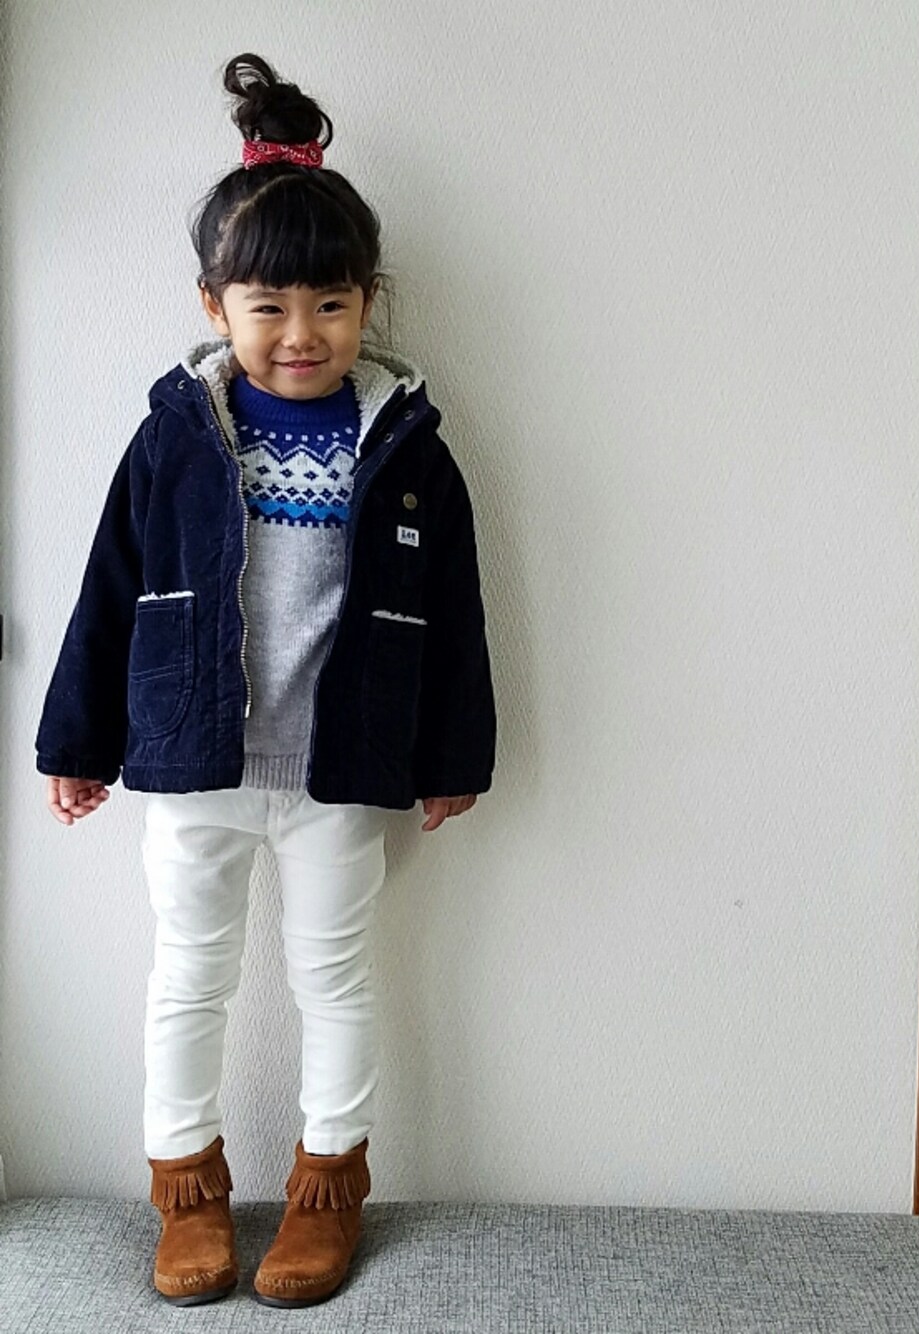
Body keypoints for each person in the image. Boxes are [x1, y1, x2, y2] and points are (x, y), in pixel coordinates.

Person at [33, 52, 496, 1310]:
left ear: (368, 302)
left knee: (334, 976)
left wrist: (451, 756)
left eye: (332, 305)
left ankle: (326, 1190)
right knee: (189, 974)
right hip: (197, 762)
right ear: (214, 303)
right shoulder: (178, 437)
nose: (302, 335)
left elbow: (453, 614)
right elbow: (110, 586)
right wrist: (77, 739)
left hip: (342, 769)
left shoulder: (404, 448)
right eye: (269, 306)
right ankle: (185, 1192)